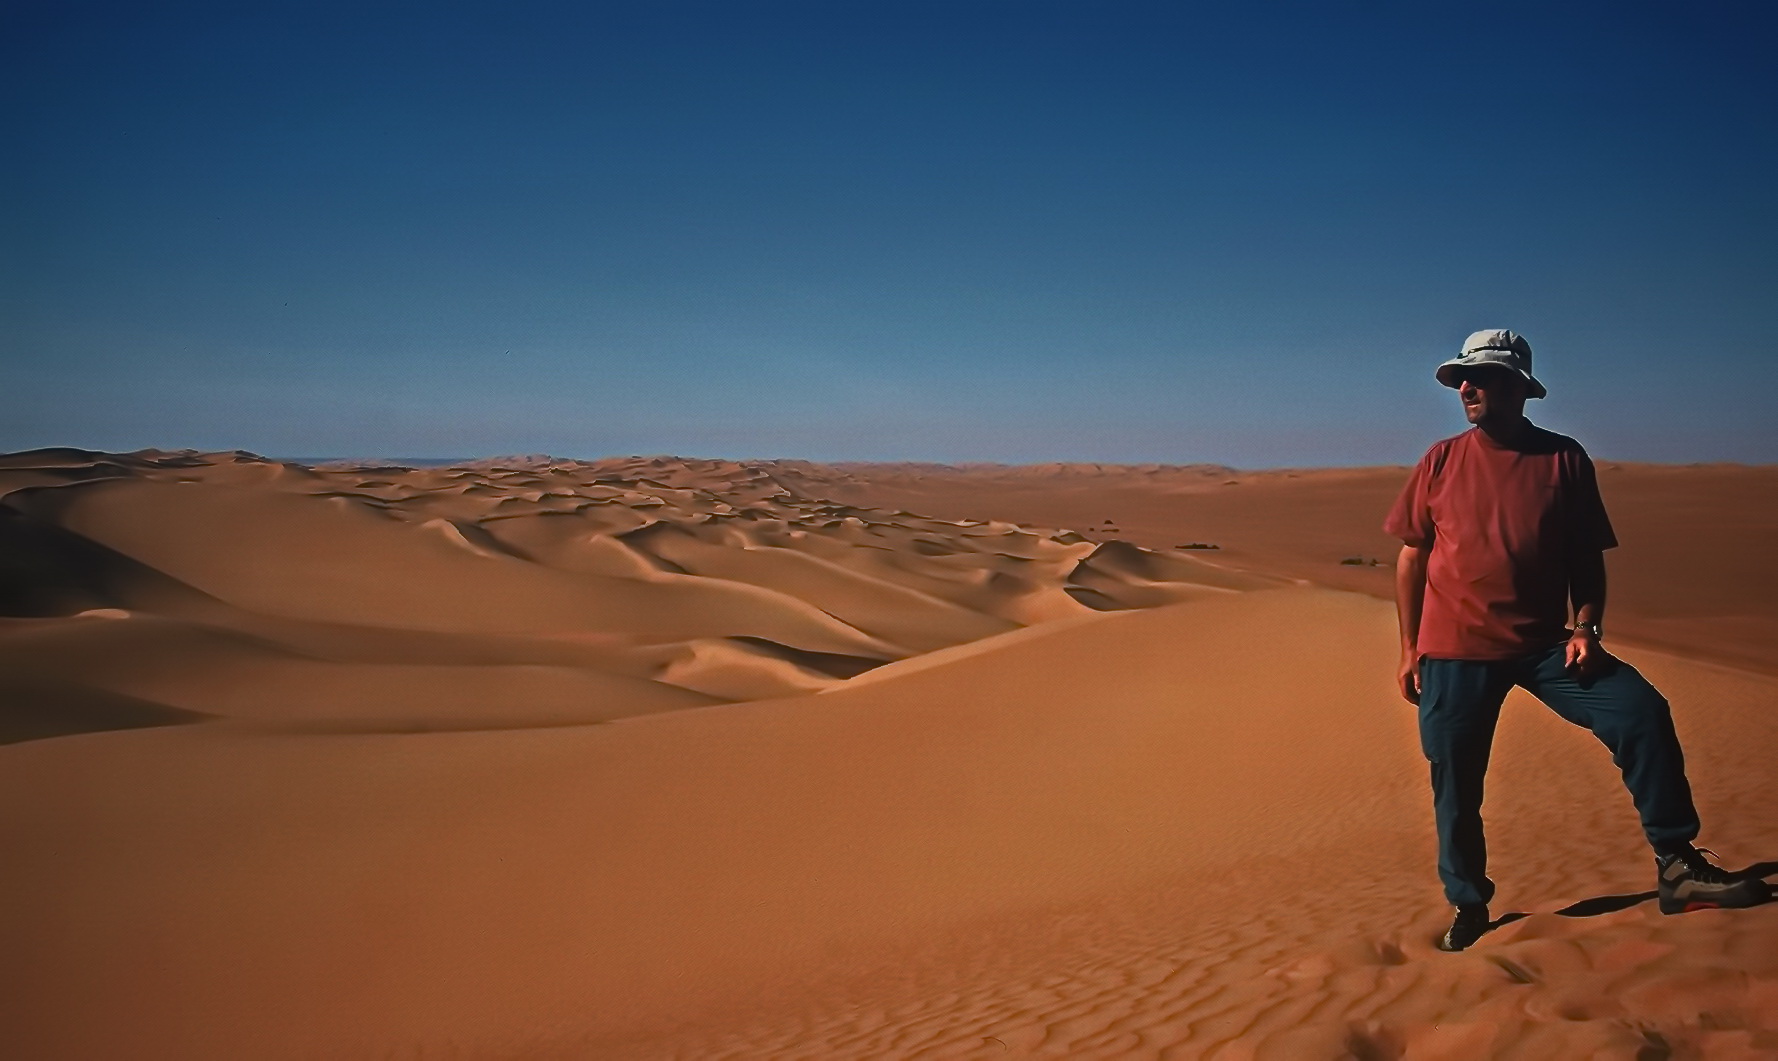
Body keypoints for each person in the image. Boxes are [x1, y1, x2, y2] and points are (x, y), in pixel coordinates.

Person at [1385, 328, 1770, 953]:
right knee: (1455, 783)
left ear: (1519, 387)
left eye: (1480, 377)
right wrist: (1408, 649)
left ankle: (1677, 865)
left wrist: (1588, 626)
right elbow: (1412, 555)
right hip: (1454, 650)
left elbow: (1586, 556)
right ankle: (1469, 903)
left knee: (1641, 712)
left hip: (1546, 646)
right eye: (1462, 379)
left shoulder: (1563, 459)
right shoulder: (1440, 459)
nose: (1467, 388)